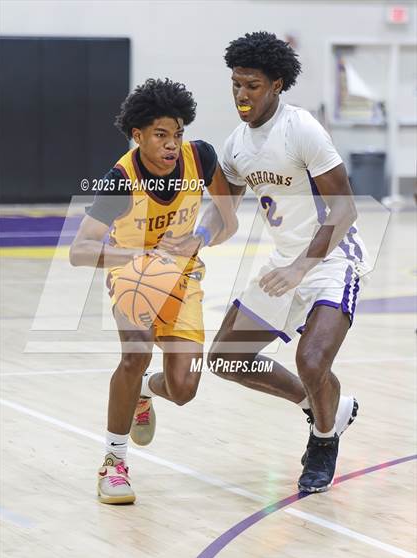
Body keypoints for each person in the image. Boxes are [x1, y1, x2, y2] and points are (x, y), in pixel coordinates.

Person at [208, 32, 369, 493]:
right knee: (226, 358)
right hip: (284, 262)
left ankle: (323, 440)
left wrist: (301, 268)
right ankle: (322, 408)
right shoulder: (236, 145)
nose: (241, 94)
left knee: (311, 360)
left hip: (332, 259)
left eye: (252, 85)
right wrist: (191, 240)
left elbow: (345, 210)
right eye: (236, 84)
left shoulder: (301, 129)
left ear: (276, 85)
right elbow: (224, 218)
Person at [70, 78, 238, 504]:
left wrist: (199, 237)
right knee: (136, 351)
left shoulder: (201, 158)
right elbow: (80, 250)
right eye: (160, 135)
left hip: (183, 278)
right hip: (133, 276)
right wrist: (137, 255)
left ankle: (144, 390)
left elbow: (228, 220)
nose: (171, 144)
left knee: (183, 389)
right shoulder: (120, 180)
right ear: (138, 135)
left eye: (177, 134)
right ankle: (114, 463)